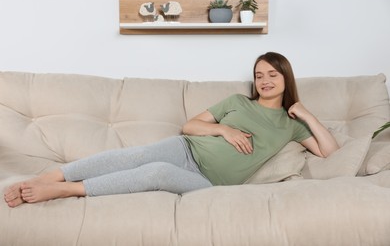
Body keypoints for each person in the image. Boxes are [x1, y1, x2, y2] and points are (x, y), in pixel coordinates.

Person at [4, 52, 339, 208]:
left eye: (272, 75)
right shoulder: (238, 101)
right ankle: (54, 176)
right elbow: (189, 125)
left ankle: (68, 190)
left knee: (157, 173)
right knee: (136, 155)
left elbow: (329, 151)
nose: (264, 81)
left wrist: (307, 113)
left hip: (209, 182)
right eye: (259, 74)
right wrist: (223, 130)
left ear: (285, 78)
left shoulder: (292, 125)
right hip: (186, 148)